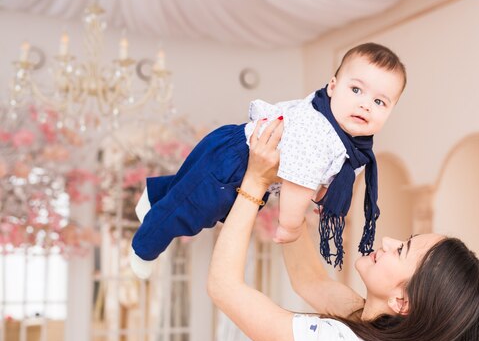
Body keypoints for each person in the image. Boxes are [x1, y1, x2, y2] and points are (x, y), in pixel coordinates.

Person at [207, 118, 479, 341]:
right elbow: (310, 281)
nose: (387, 241)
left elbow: (224, 286)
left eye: (401, 251)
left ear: (402, 301)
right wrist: (292, 184)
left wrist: (255, 182)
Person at [130, 42, 407, 279]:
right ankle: (144, 247)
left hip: (233, 148)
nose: (365, 104)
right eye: (356, 90)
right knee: (189, 212)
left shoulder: (351, 143)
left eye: (380, 102)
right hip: (232, 162)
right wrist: (290, 225)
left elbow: (326, 176)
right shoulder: (319, 132)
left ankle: (153, 196)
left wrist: (324, 194)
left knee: (188, 188)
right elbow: (297, 186)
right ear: (332, 87)